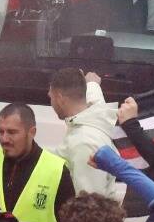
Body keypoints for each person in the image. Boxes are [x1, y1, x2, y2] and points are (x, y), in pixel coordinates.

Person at [0, 101, 74, 222]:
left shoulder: (57, 171)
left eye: (12, 132)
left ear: (32, 132)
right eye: (0, 131)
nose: (4, 138)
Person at [49, 67, 122, 201]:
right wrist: (93, 85)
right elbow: (96, 103)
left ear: (59, 97)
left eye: (51, 97)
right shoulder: (94, 118)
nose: (51, 103)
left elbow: (90, 206)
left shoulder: (84, 142)